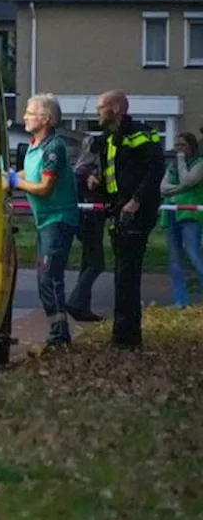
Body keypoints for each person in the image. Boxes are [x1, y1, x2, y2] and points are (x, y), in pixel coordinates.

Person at [4, 93, 80, 349]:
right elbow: (29, 173)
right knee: (44, 278)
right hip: (45, 221)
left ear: (45, 119)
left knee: (50, 277)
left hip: (57, 220)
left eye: (30, 112)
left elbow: (44, 186)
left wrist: (15, 182)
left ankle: (60, 338)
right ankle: (56, 334)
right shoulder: (35, 145)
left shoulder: (53, 148)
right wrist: (7, 176)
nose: (24, 116)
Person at [92, 90, 165, 349]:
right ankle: (124, 335)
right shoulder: (109, 138)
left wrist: (136, 200)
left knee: (126, 274)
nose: (96, 112)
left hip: (136, 212)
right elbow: (113, 173)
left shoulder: (140, 134)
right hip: (118, 210)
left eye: (101, 107)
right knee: (123, 275)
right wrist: (97, 182)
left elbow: (155, 169)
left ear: (116, 109)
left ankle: (125, 338)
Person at [160, 132, 203, 307]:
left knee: (193, 254)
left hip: (189, 214)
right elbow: (163, 188)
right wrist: (180, 188)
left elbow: (188, 180)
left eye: (183, 145)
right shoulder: (171, 166)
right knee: (175, 259)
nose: (179, 149)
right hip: (170, 212)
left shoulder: (199, 164)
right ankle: (180, 302)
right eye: (177, 145)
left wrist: (181, 162)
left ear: (191, 146)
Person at [68, 134, 106, 322]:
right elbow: (95, 186)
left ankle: (83, 307)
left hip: (85, 220)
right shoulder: (89, 171)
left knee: (87, 263)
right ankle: (76, 301)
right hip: (90, 220)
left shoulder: (80, 168)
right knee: (97, 263)